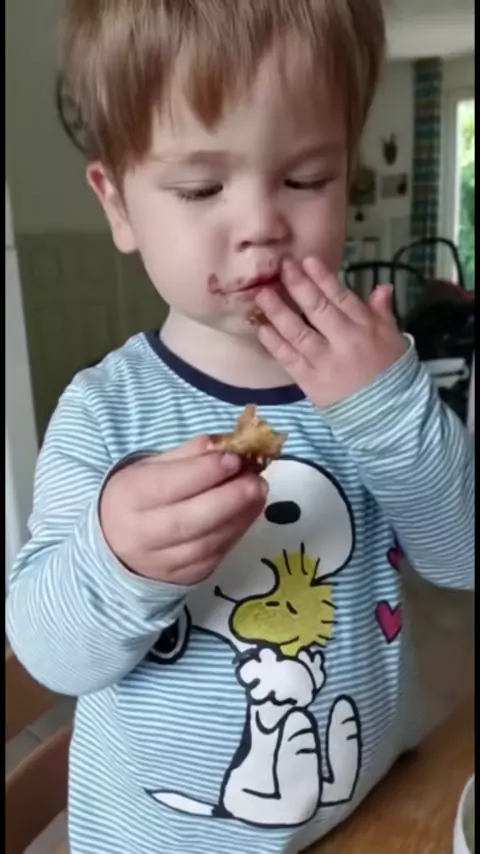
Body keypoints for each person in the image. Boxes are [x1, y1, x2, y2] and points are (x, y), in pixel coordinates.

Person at [6, 2, 474, 853]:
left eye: (306, 179)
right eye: (200, 188)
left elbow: (463, 556)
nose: (262, 224)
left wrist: (390, 409)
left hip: (366, 813)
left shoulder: (378, 387)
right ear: (118, 205)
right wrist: (115, 557)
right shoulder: (107, 412)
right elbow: (50, 654)